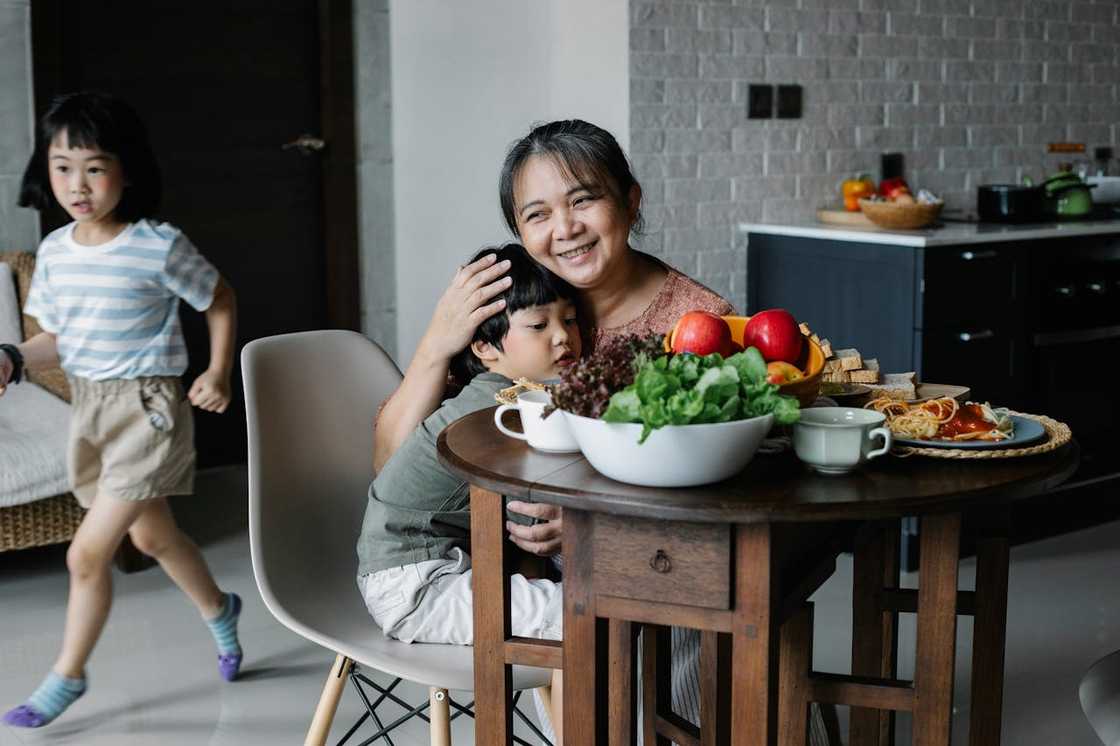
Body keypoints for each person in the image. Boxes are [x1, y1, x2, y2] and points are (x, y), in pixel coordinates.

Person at [0, 92, 241, 729]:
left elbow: (218, 298)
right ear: (45, 172)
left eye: (94, 166)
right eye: (62, 167)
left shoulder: (156, 245)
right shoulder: (53, 251)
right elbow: (61, 339)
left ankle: (67, 676)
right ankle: (221, 610)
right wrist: (12, 357)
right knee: (154, 536)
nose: (77, 184)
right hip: (91, 411)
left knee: (87, 554)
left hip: (149, 411)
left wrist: (215, 370)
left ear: (126, 170)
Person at [357, 242, 579, 737]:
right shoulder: (501, 413)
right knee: (579, 619)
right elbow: (527, 518)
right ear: (485, 347)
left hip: (437, 565)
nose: (564, 337)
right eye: (539, 326)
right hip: (414, 585)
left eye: (570, 319)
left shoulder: (518, 395)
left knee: (573, 609)